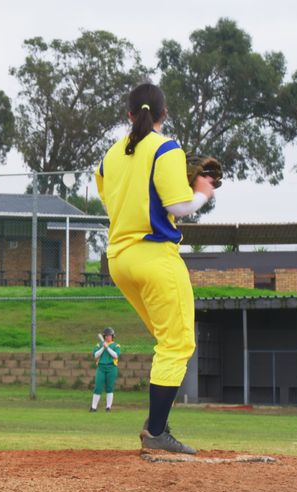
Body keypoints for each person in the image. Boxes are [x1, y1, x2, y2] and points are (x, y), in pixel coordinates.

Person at [95, 83, 218, 454]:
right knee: (178, 342)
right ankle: (157, 432)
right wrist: (202, 191)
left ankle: (156, 424)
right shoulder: (165, 148)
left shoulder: (109, 157)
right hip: (154, 257)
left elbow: (119, 198)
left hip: (119, 259)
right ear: (163, 114)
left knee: (168, 341)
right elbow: (178, 207)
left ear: (128, 114)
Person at [90, 327, 121, 413]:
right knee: (98, 387)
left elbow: (115, 355)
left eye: (110, 335)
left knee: (109, 387)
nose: (108, 337)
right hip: (101, 367)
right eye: (107, 336)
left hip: (112, 368)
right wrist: (103, 347)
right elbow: (95, 355)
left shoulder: (116, 345)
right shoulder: (99, 345)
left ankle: (108, 407)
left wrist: (107, 347)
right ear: (104, 337)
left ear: (112, 336)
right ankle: (93, 407)